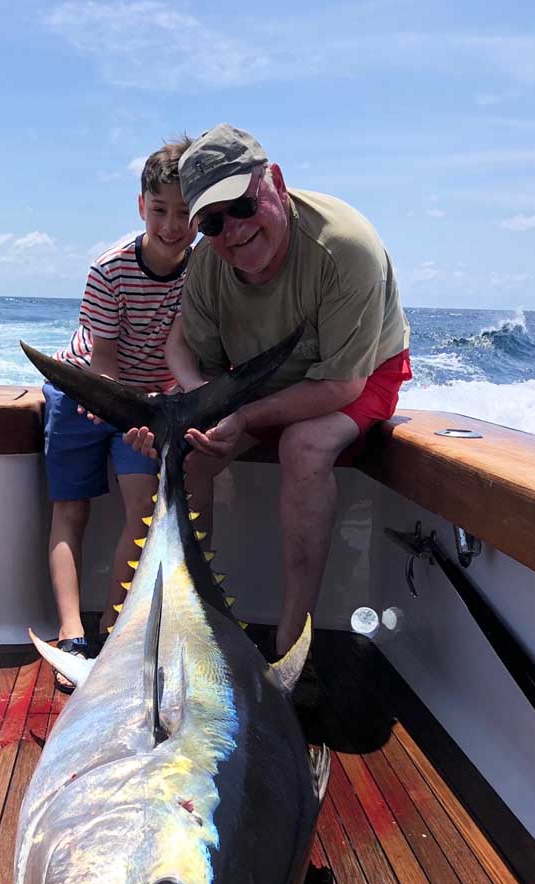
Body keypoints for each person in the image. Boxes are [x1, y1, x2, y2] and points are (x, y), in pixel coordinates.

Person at [127, 123, 411, 704]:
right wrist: (200, 402)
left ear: (274, 183)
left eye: (242, 205)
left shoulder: (342, 247)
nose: (233, 231)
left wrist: (243, 415)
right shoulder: (208, 266)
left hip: (353, 374)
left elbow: (340, 384)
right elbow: (181, 347)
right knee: (189, 455)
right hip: (253, 378)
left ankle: (290, 653)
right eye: (211, 222)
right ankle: (188, 635)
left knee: (303, 448)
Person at [41, 137, 194, 691]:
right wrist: (122, 406)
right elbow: (103, 361)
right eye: (160, 210)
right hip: (86, 392)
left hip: (147, 406)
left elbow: (183, 348)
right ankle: (70, 633)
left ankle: (111, 629)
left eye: (185, 212)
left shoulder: (203, 273)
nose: (173, 225)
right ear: (141, 207)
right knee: (70, 509)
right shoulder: (109, 269)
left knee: (143, 511)